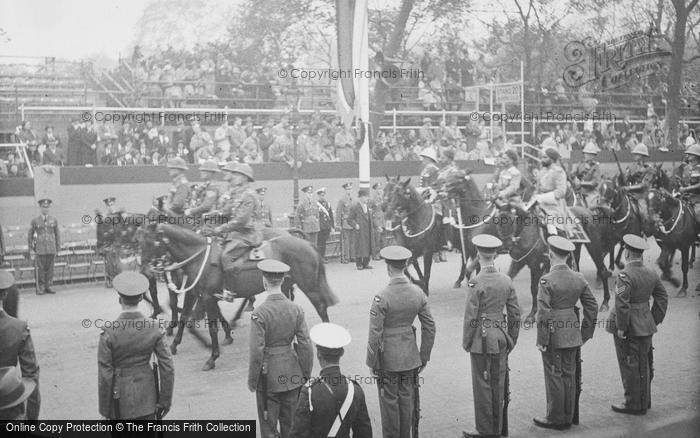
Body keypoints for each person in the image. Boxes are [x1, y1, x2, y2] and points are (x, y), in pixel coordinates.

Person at [367, 245, 436, 438]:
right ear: (405, 266)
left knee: (389, 403)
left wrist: (371, 362)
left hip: (387, 358)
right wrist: (424, 356)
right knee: (407, 400)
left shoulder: (382, 297)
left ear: (388, 268)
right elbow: (430, 327)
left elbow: (375, 332)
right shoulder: (418, 293)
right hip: (410, 357)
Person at [534, 236, 598, 430]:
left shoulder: (546, 280)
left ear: (550, 254)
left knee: (554, 375)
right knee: (569, 375)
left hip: (554, 335)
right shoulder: (578, 277)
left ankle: (556, 418)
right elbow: (592, 306)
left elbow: (543, 313)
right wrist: (585, 333)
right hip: (572, 333)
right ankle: (568, 416)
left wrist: (542, 339)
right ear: (569, 255)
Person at [462, 234, 520, 438]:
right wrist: (511, 339)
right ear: (495, 254)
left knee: (482, 386)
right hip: (501, 338)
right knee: (499, 383)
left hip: (481, 340)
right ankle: (498, 428)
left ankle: (485, 429)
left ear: (478, 254)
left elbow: (471, 316)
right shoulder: (506, 280)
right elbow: (514, 314)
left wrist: (467, 341)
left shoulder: (474, 282)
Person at [249, 259, 314, 438]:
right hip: (293, 374)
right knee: (292, 428)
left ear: (264, 281)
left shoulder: (259, 313)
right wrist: (305, 373)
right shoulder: (296, 309)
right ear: (283, 280)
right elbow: (305, 344)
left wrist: (252, 381)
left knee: (269, 429)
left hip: (267, 377)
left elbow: (256, 351)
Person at [98, 271, 174, 420]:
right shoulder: (155, 328)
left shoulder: (108, 332)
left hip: (119, 403)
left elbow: (105, 375)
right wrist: (165, 402)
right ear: (140, 298)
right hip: (148, 401)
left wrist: (105, 411)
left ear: (120, 299)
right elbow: (167, 366)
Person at [606, 234, 668, 416]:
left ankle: (633, 403)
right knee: (644, 363)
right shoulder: (651, 273)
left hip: (629, 327)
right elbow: (662, 298)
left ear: (626, 252)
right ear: (641, 254)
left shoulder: (624, 275)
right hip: (645, 325)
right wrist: (652, 319)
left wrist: (621, 327)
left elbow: (621, 303)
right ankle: (644, 401)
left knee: (629, 364)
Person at [289, 323, 372, 437]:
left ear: (318, 355)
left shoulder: (309, 392)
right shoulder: (355, 390)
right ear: (341, 353)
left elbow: (297, 434)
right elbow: (364, 433)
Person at [0, 271, 40, 420]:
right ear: (4, 295)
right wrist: (31, 419)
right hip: (9, 404)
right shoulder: (19, 328)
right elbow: (31, 376)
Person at [215, 163, 259, 280]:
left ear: (245, 178)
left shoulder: (249, 195)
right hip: (235, 233)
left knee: (226, 256)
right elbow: (225, 211)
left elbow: (241, 220)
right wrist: (208, 218)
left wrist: (221, 228)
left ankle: (230, 289)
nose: (234, 177)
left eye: (237, 175)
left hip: (246, 234)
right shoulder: (239, 194)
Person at [529, 147, 568, 236]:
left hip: (554, 205)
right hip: (540, 204)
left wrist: (541, 198)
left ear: (552, 159)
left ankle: (554, 244)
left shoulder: (559, 171)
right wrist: (532, 201)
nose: (542, 160)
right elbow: (537, 190)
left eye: (545, 157)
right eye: (542, 157)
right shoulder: (541, 172)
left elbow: (561, 192)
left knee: (550, 223)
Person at [28, 199, 60, 295]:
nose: (45, 209)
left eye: (47, 207)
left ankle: (49, 286)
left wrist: (57, 248)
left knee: (50, 269)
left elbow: (57, 234)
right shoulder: (35, 221)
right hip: (40, 249)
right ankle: (41, 287)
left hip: (51, 248)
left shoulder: (53, 220)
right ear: (40, 207)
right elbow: (30, 235)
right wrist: (31, 249)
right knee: (40, 269)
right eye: (43, 207)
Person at [185, 159, 221, 227]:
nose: (201, 172)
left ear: (211, 173)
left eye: (204, 171)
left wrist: (191, 211)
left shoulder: (212, 187)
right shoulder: (204, 186)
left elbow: (206, 206)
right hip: (199, 219)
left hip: (207, 221)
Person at [97, 197, 123, 288]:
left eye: (112, 205)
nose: (110, 207)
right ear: (106, 207)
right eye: (109, 205)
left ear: (114, 205)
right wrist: (100, 247)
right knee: (110, 263)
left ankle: (119, 279)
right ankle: (111, 280)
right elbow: (100, 232)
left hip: (118, 244)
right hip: (108, 244)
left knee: (118, 264)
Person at [346, 190, 373, 270]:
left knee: (367, 246)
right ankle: (359, 264)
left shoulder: (367, 207)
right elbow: (349, 219)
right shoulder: (355, 207)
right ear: (361, 197)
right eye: (365, 197)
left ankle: (366, 263)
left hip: (367, 230)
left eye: (367, 197)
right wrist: (355, 225)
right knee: (359, 247)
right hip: (359, 231)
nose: (367, 198)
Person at [572, 142, 602, 208]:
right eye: (587, 153)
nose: (589, 155)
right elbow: (572, 174)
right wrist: (574, 179)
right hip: (579, 193)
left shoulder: (595, 167)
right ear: (584, 154)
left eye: (591, 154)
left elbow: (595, 182)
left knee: (591, 209)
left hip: (590, 194)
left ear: (594, 156)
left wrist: (581, 183)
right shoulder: (580, 164)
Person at [677, 144, 700, 221]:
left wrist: (685, 188)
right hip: (686, 197)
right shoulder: (686, 168)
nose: (688, 156)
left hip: (697, 198)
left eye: (691, 154)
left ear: (696, 156)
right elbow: (684, 182)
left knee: (698, 214)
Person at [336, 183, 356, 264]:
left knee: (353, 240)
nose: (349, 190)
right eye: (348, 189)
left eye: (351, 189)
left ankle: (353, 256)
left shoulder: (354, 199)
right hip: (346, 222)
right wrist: (338, 224)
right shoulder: (342, 199)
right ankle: (347, 257)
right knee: (346, 240)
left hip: (353, 222)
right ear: (345, 190)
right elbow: (338, 212)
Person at [315, 188, 334, 263]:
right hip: (320, 227)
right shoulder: (316, 205)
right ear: (318, 196)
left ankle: (323, 256)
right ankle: (320, 257)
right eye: (320, 196)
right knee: (320, 243)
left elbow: (331, 215)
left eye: (323, 195)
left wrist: (332, 226)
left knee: (324, 243)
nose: (322, 197)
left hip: (326, 226)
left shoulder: (328, 204)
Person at [369, 183, 385, 260]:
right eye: (378, 189)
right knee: (377, 239)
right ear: (375, 190)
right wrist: (375, 223)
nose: (379, 190)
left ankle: (383, 253)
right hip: (377, 221)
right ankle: (376, 255)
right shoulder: (372, 200)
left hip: (383, 221)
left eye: (380, 188)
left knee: (383, 239)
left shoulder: (383, 199)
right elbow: (371, 212)